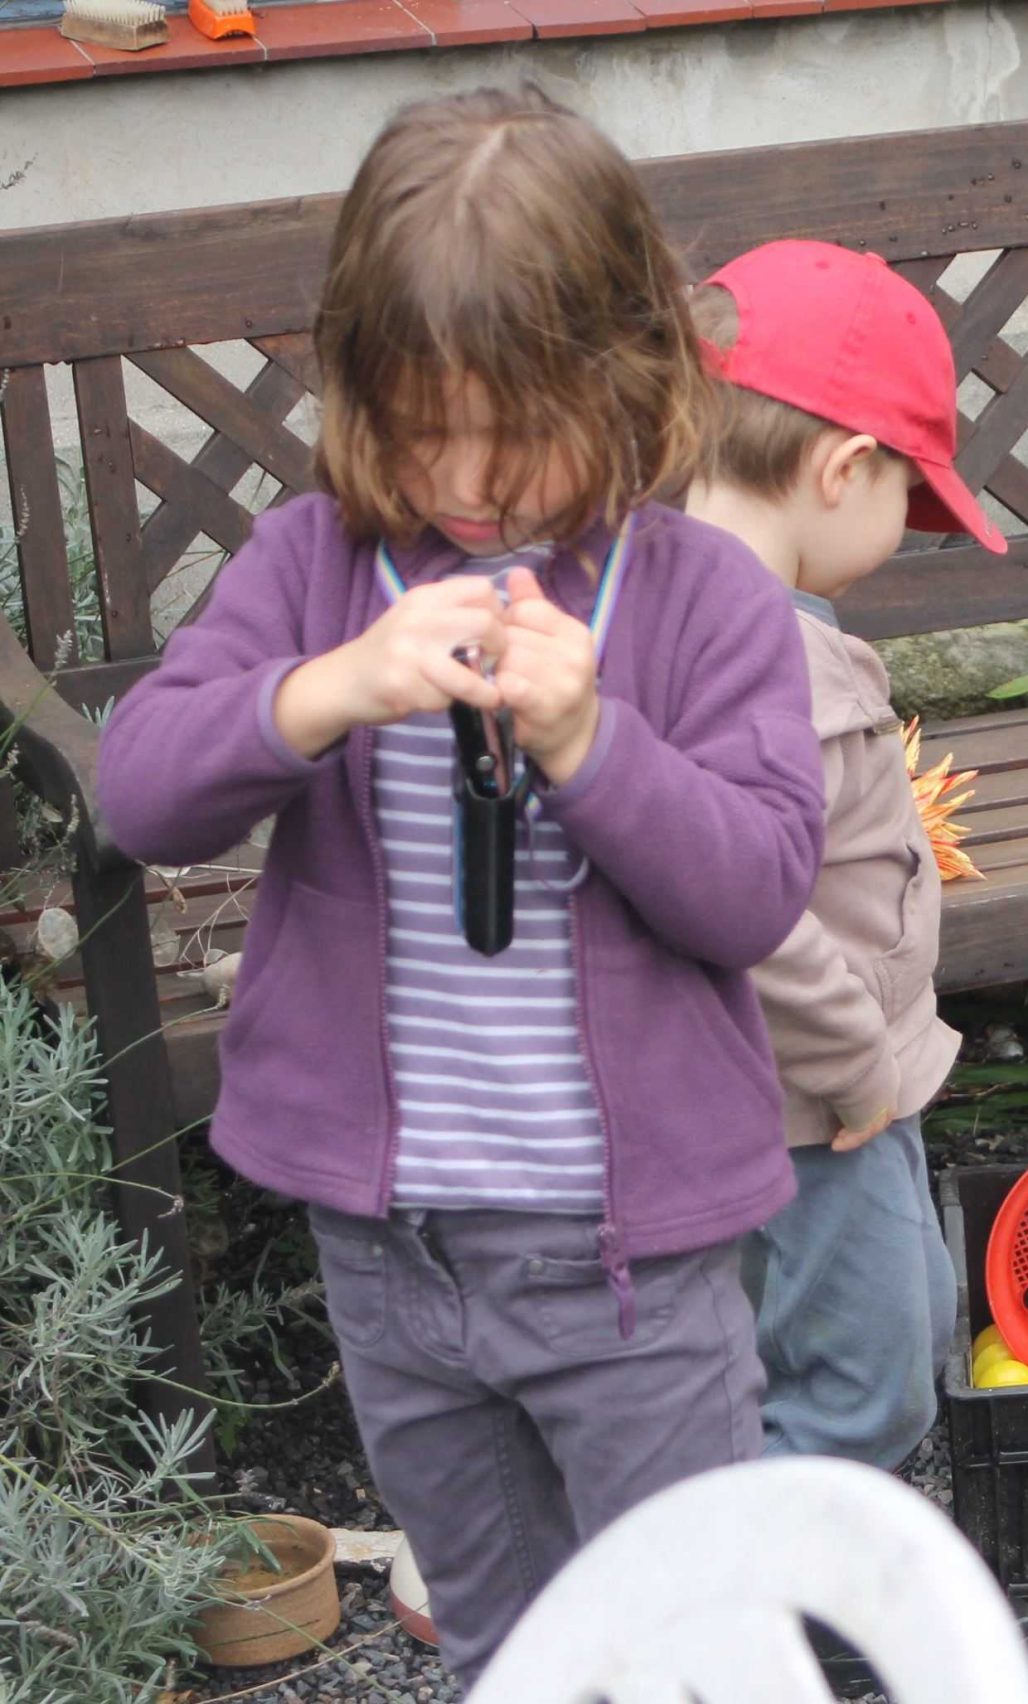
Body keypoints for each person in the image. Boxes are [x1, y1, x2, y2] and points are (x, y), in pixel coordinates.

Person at [94, 88, 825, 1688]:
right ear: (362, 396)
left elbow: (759, 890)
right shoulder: (314, 570)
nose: (473, 479)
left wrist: (592, 742)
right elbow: (138, 794)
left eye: (519, 429)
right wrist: (327, 690)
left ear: (629, 379)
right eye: (427, 428)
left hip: (630, 1274)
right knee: (506, 1647)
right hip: (396, 1260)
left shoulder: (702, 598)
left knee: (694, 1644)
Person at [684, 240, 998, 1465]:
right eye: (904, 501)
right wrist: (859, 1067)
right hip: (817, 1101)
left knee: (864, 1331)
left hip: (805, 1086)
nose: (900, 534)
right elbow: (744, 908)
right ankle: (742, 1567)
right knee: (863, 1392)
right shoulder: (777, 662)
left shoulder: (670, 609)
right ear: (841, 469)